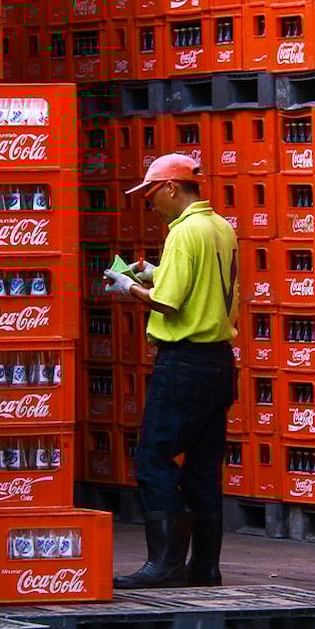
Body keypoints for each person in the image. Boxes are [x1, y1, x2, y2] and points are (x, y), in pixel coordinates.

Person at [103, 153, 239, 589]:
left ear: (170, 188)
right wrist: (153, 271)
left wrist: (129, 287)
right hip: (218, 360)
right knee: (202, 466)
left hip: (183, 362)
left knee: (153, 459)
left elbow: (171, 303)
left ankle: (163, 564)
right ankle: (205, 568)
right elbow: (198, 284)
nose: (149, 205)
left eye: (150, 195)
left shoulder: (183, 232)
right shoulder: (220, 227)